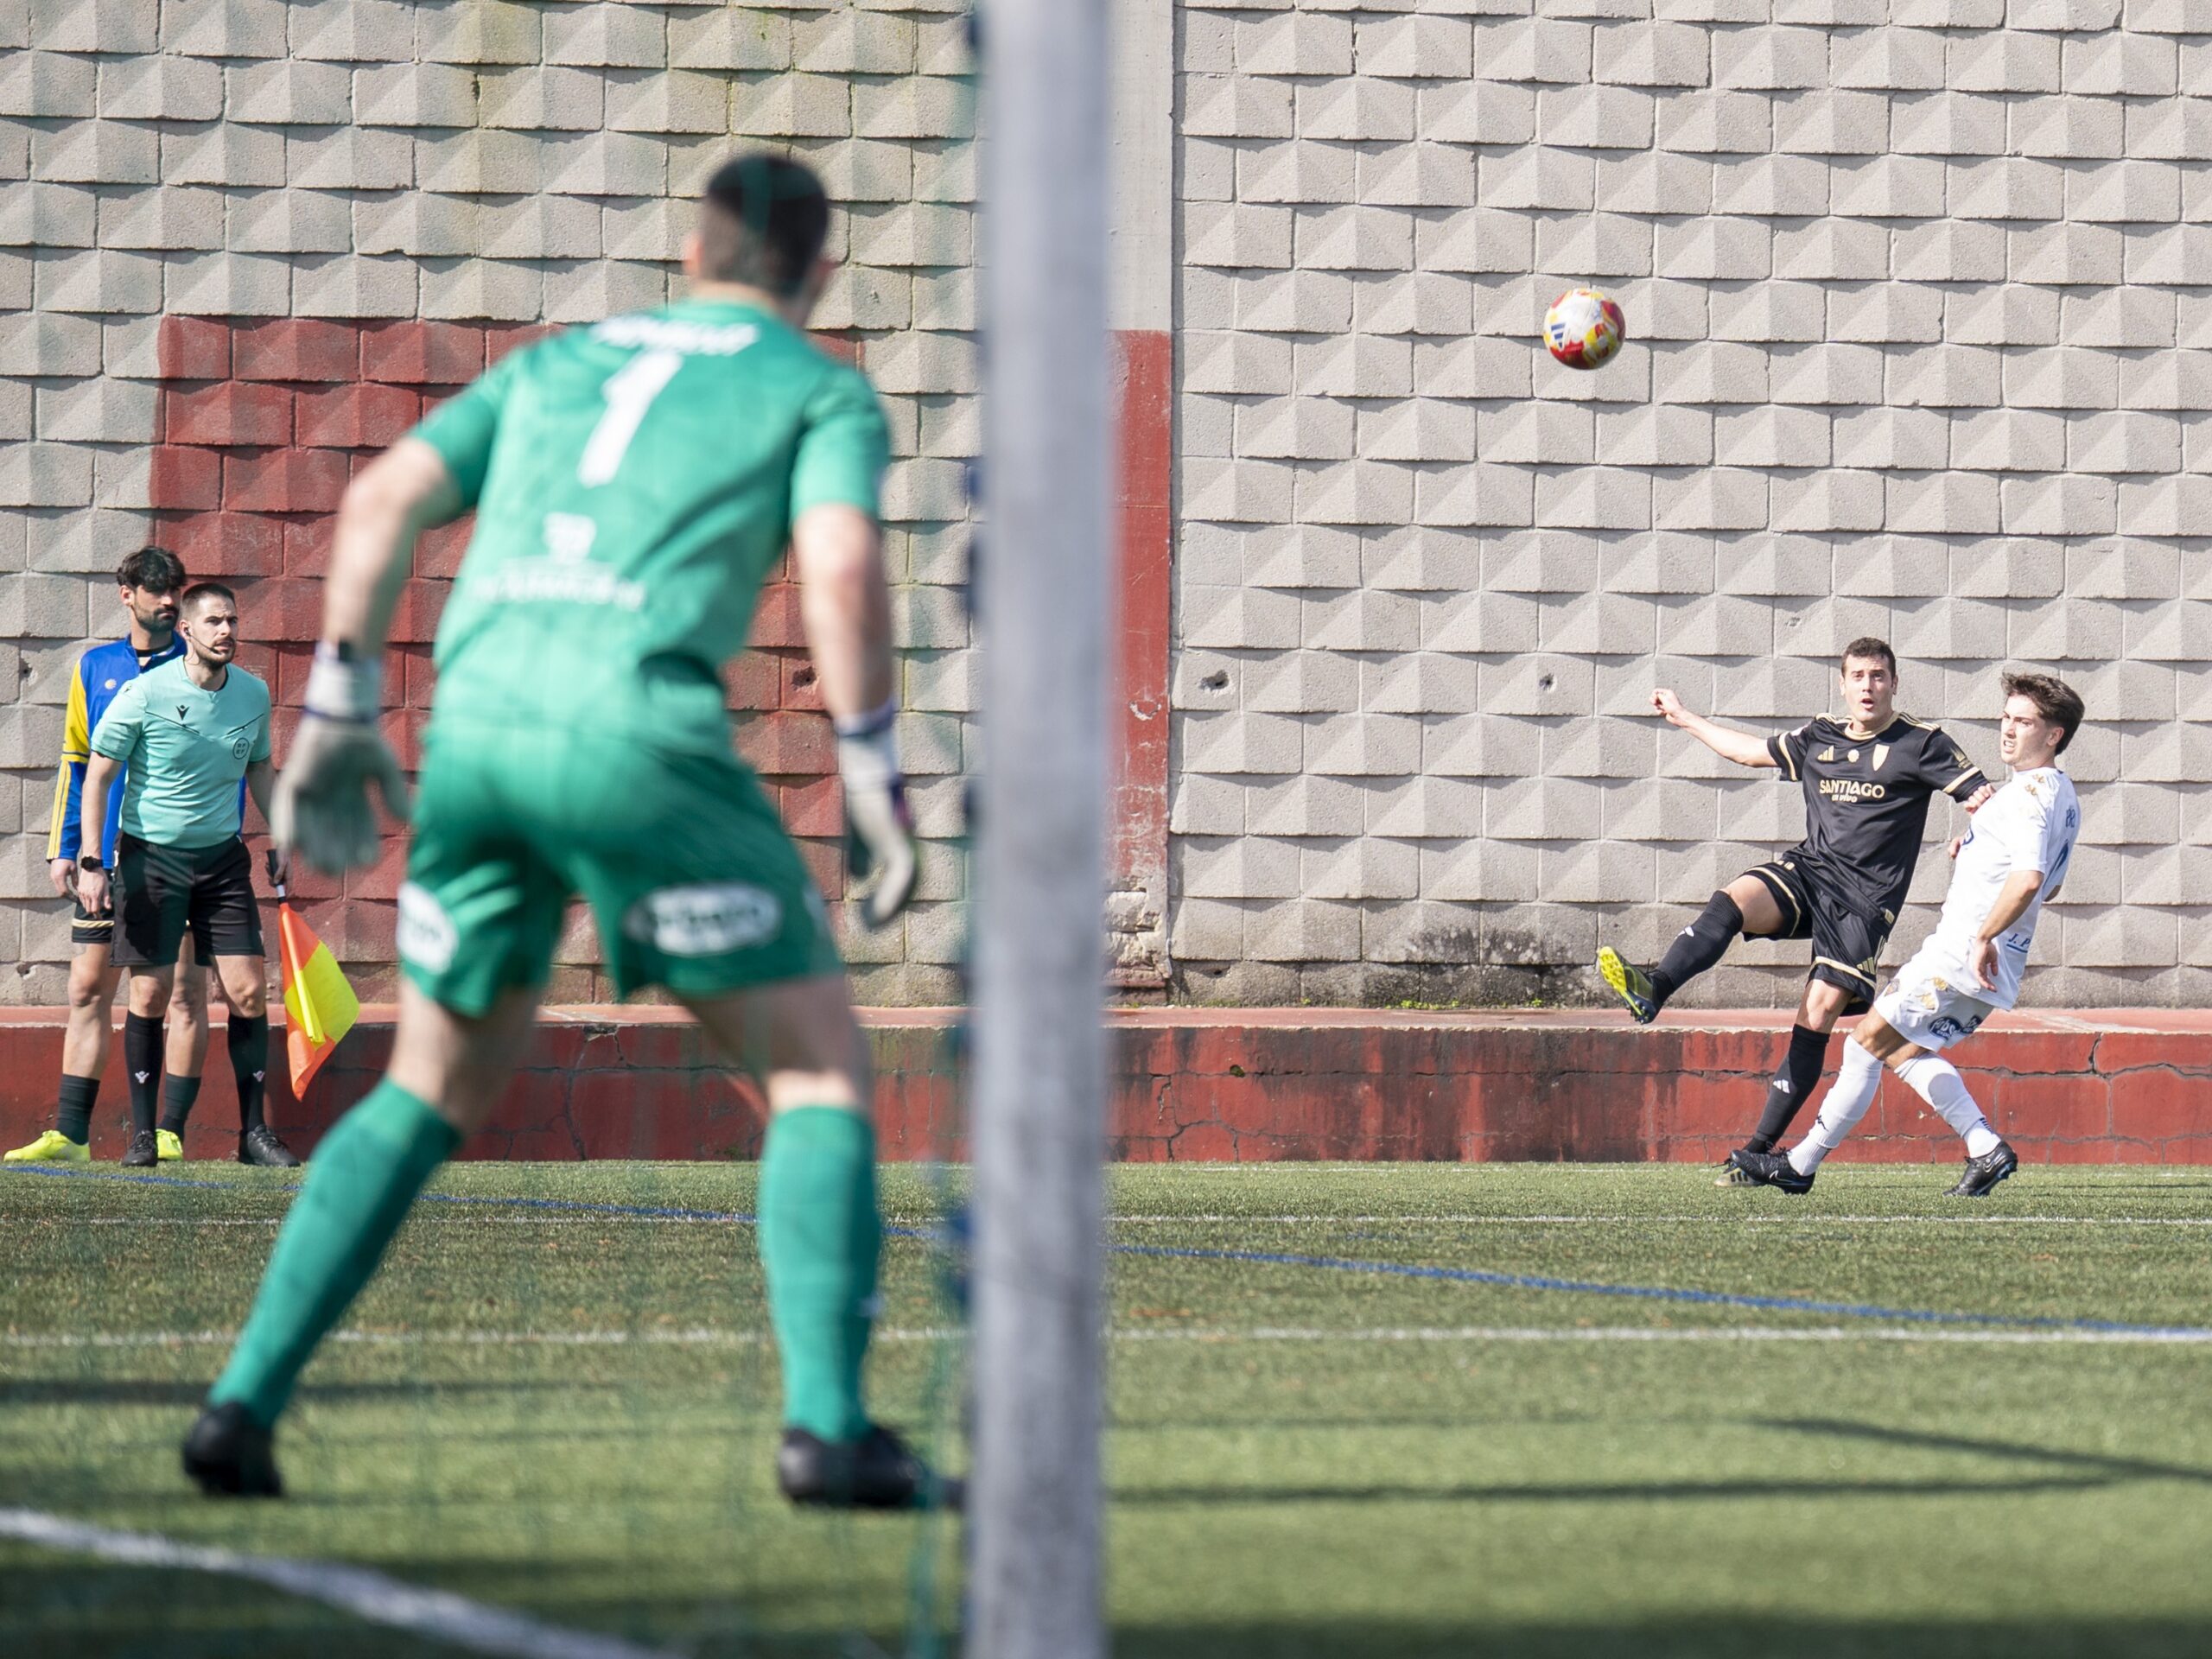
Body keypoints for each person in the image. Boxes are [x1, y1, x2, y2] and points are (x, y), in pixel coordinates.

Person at [181, 153, 944, 1512]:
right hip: (641, 744)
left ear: (693, 251)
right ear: (816, 274)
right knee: (819, 1077)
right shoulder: (818, 386)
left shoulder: (556, 362)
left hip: (474, 743)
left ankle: (241, 1406)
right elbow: (837, 565)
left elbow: (377, 501)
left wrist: (345, 706)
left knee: (428, 1086)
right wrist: (875, 766)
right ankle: (828, 1432)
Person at [1596, 639, 1993, 1185]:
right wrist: (1685, 717)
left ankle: (1759, 1153)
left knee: (1814, 1019)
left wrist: (1972, 838)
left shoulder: (1923, 744)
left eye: (1878, 676)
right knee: (1736, 896)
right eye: (1858, 676)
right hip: (1810, 873)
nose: (1868, 687)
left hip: (1863, 906)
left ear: (1894, 684)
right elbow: (1746, 751)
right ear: (1843, 683)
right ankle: (1656, 987)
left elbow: (1986, 800)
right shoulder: (1820, 735)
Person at [1730, 673, 2084, 1197]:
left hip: (1964, 954)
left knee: (1864, 1045)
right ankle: (1985, 1148)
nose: (2007, 730)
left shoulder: (2029, 795)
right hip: (1993, 962)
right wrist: (1978, 849)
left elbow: (2030, 880)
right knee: (1900, 1051)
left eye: (2023, 722)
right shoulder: (2062, 794)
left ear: (2053, 735)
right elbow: (2049, 887)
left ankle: (1800, 1166)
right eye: (2006, 717)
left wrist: (1985, 934)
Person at [73, 582, 296, 1171]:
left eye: (232, 620)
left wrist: (282, 836)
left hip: (222, 861)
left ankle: (253, 1135)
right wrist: (93, 861)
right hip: (153, 859)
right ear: (188, 632)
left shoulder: (253, 693)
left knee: (248, 990)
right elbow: (97, 778)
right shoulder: (145, 694)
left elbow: (262, 769)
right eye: (214, 622)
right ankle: (143, 1136)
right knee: (150, 993)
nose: (227, 631)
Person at [8, 549, 214, 1166]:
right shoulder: (94, 667)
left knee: (181, 993)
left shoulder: (201, 665)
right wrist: (66, 850)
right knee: (88, 987)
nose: (168, 601)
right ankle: (71, 1135)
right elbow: (77, 763)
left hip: (179, 856)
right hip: (105, 861)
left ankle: (170, 1130)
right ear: (126, 593)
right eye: (155, 590)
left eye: (175, 590)